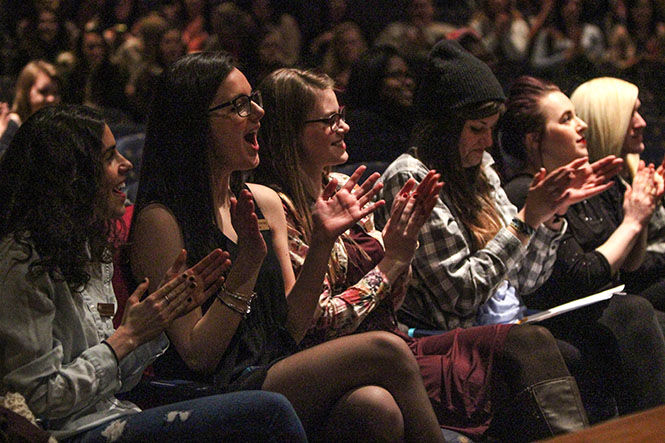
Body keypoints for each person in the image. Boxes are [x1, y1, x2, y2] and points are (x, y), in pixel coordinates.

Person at [254, 66, 590, 441]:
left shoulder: (345, 185)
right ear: (291, 132)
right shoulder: (279, 206)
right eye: (330, 120)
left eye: (342, 116)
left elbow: (389, 304)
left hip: (394, 338)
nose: (345, 128)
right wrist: (391, 264)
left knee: (533, 341)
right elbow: (316, 322)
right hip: (346, 357)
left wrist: (401, 255)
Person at [129, 51, 446, 442]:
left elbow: (293, 326)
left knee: (374, 407)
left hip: (276, 366)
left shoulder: (260, 201)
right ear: (196, 123)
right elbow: (198, 356)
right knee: (388, 350)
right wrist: (245, 269)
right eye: (240, 106)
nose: (259, 113)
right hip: (211, 393)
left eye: (255, 100)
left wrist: (323, 242)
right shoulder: (160, 221)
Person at [0, 104, 308, 442]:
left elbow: (118, 380)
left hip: (115, 411)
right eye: (108, 157)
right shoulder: (22, 262)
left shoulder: (85, 246)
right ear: (70, 175)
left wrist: (151, 327)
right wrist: (125, 338)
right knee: (269, 412)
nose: (127, 164)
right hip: (71, 433)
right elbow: (39, 402)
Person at [500, 75, 665, 418]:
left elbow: (629, 266)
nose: (581, 125)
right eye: (566, 119)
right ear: (534, 140)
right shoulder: (525, 192)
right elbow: (584, 274)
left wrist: (641, 214)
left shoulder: (580, 180)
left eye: (576, 115)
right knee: (633, 311)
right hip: (554, 316)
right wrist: (632, 221)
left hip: (601, 304)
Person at [343, 45, 416, 170]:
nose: (408, 82)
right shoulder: (357, 129)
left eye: (407, 75)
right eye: (396, 75)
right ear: (372, 80)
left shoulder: (407, 124)